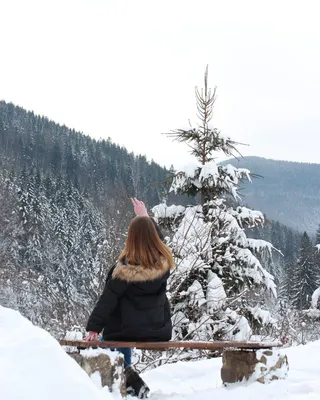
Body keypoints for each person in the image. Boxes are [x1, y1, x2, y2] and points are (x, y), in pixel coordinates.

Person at [85, 198, 174, 398]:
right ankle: (127, 377)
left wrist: (93, 328)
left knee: (111, 337)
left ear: (131, 239)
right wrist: (145, 217)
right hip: (157, 329)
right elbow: (158, 241)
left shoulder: (124, 270)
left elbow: (107, 301)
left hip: (126, 331)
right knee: (120, 332)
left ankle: (128, 379)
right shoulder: (164, 264)